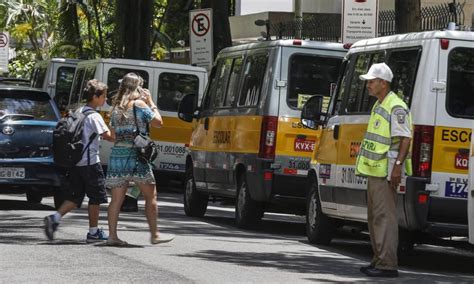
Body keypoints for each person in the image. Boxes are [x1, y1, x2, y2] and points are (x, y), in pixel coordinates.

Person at [355, 63, 413, 278]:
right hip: (376, 171)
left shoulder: (395, 106)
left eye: (371, 81)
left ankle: (387, 264)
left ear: (384, 83)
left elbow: (406, 138)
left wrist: (397, 168)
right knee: (375, 217)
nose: (368, 85)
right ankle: (379, 259)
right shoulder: (381, 104)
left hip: (387, 172)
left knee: (384, 217)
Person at [105, 72, 173, 246]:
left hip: (117, 156)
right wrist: (151, 102)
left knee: (116, 200)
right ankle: (155, 235)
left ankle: (112, 236)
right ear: (138, 87)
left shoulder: (116, 109)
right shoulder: (140, 104)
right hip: (136, 157)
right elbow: (158, 122)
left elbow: (113, 135)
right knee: (151, 195)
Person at [44, 79, 114, 242]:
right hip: (90, 163)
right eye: (103, 96)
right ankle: (93, 232)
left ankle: (54, 218)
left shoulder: (78, 110)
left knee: (75, 197)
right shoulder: (94, 116)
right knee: (96, 198)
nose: (105, 100)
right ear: (95, 97)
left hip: (76, 162)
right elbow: (108, 136)